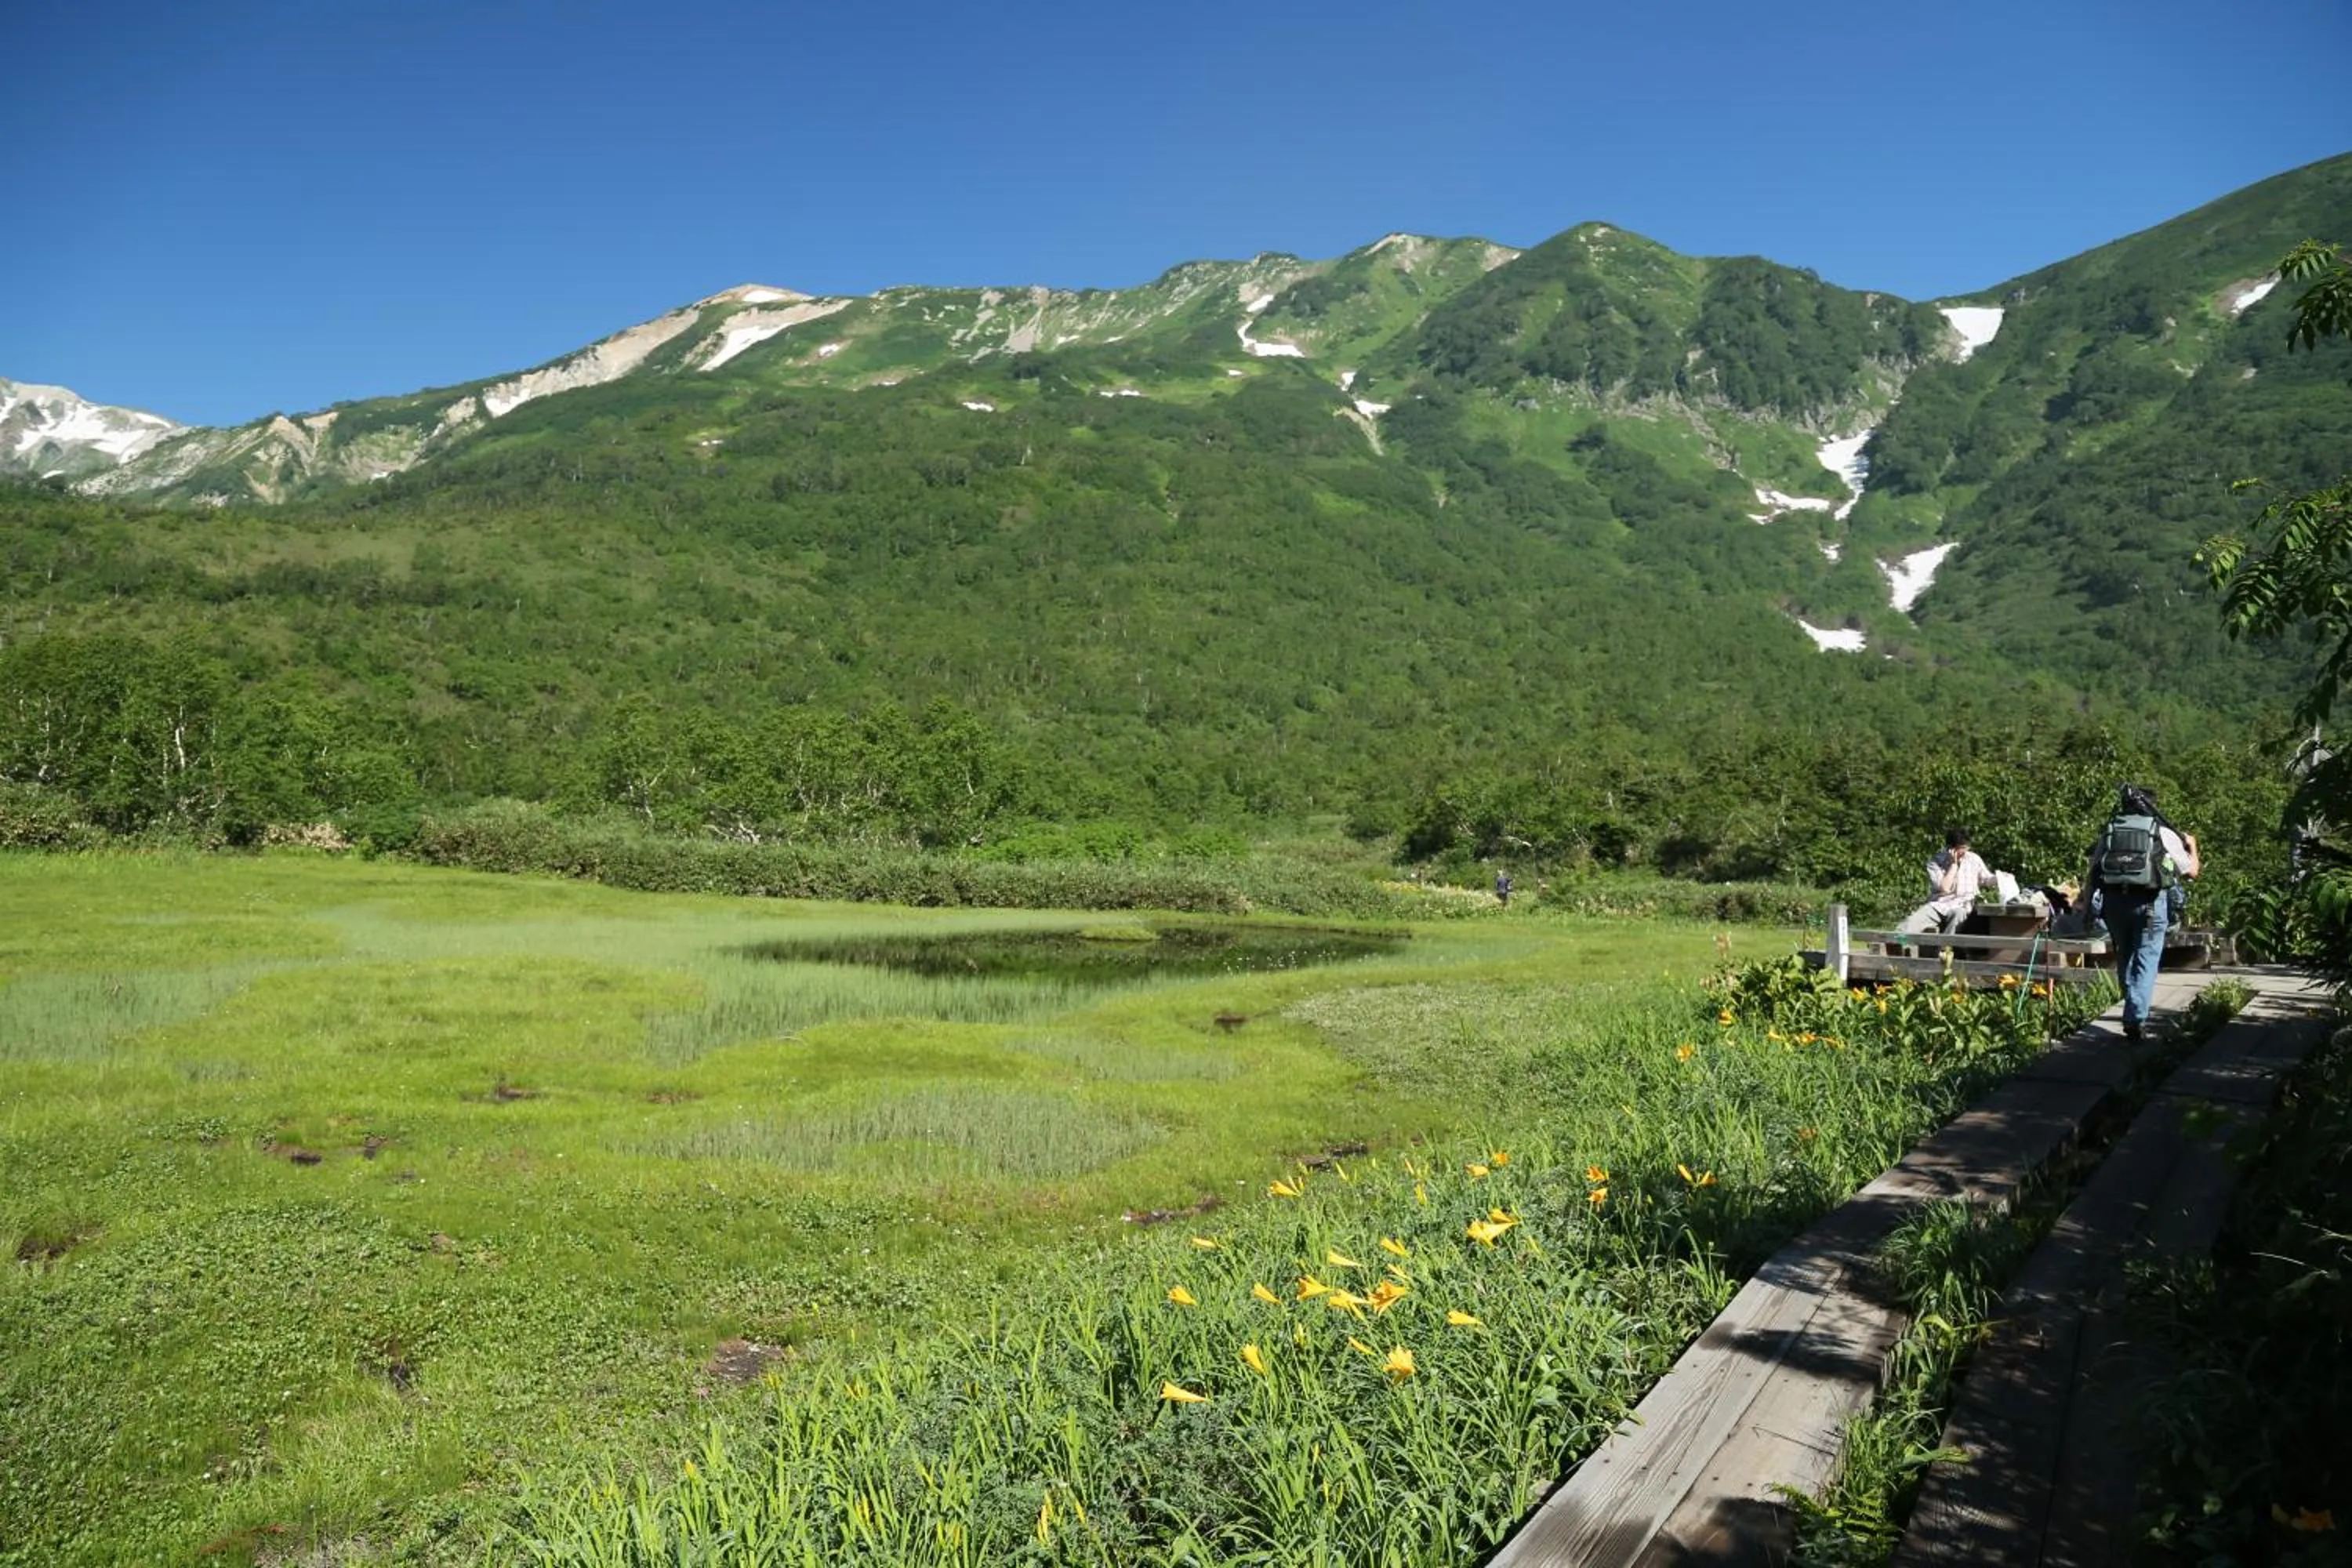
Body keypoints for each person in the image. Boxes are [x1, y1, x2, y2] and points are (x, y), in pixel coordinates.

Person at [2085, 784, 2201, 1040]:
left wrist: (2087, 910)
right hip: (2150, 904)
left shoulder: (2111, 831)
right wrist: (2192, 847)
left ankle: (2132, 1006)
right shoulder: (2162, 831)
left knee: (2125, 956)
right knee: (2146, 959)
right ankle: (2135, 1016)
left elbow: (2093, 874)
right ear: (2152, 807)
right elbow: (2191, 872)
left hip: (2114, 903)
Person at [1897, 828, 1991, 934]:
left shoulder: (1974, 859)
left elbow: (1986, 879)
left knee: (1959, 915)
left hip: (1962, 905)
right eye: (1961, 849)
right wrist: (1954, 865)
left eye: (1966, 848)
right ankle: (1897, 942)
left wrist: (2001, 878)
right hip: (1939, 905)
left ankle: (1945, 948)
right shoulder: (1935, 862)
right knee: (1911, 922)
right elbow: (1945, 888)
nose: (1965, 852)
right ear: (1950, 848)